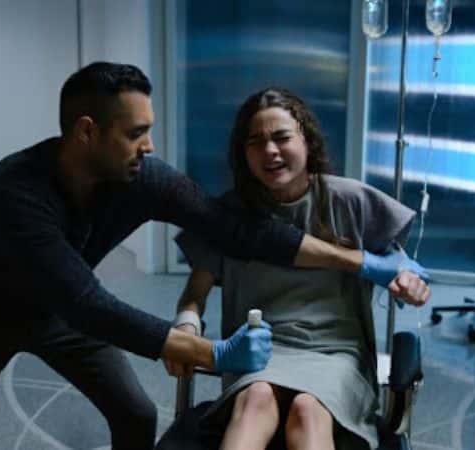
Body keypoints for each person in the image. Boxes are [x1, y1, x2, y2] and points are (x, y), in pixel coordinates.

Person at [0, 62, 423, 450]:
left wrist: (365, 263)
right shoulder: (15, 192)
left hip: (61, 313)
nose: (149, 145)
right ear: (87, 132)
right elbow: (88, 304)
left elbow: (235, 229)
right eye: (135, 132)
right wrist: (209, 351)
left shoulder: (143, 177)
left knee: (137, 415)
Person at [164, 87, 430, 450]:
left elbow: (400, 267)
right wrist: (186, 326)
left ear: (307, 140)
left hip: (336, 354)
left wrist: (410, 282)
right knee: (256, 398)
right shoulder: (229, 216)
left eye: (282, 137)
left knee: (308, 409)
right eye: (255, 141)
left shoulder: (349, 201)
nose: (270, 150)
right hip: (257, 351)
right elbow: (194, 294)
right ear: (243, 153)